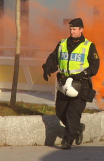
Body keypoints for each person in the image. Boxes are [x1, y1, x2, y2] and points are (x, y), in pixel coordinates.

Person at [42, 18, 100, 150]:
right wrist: (47, 68)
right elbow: (53, 58)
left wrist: (84, 73)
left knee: (72, 113)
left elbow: (95, 66)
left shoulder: (89, 46)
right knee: (60, 112)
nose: (72, 31)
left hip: (80, 85)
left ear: (81, 30)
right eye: (70, 29)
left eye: (74, 29)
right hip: (64, 84)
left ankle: (68, 141)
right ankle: (78, 128)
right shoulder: (62, 43)